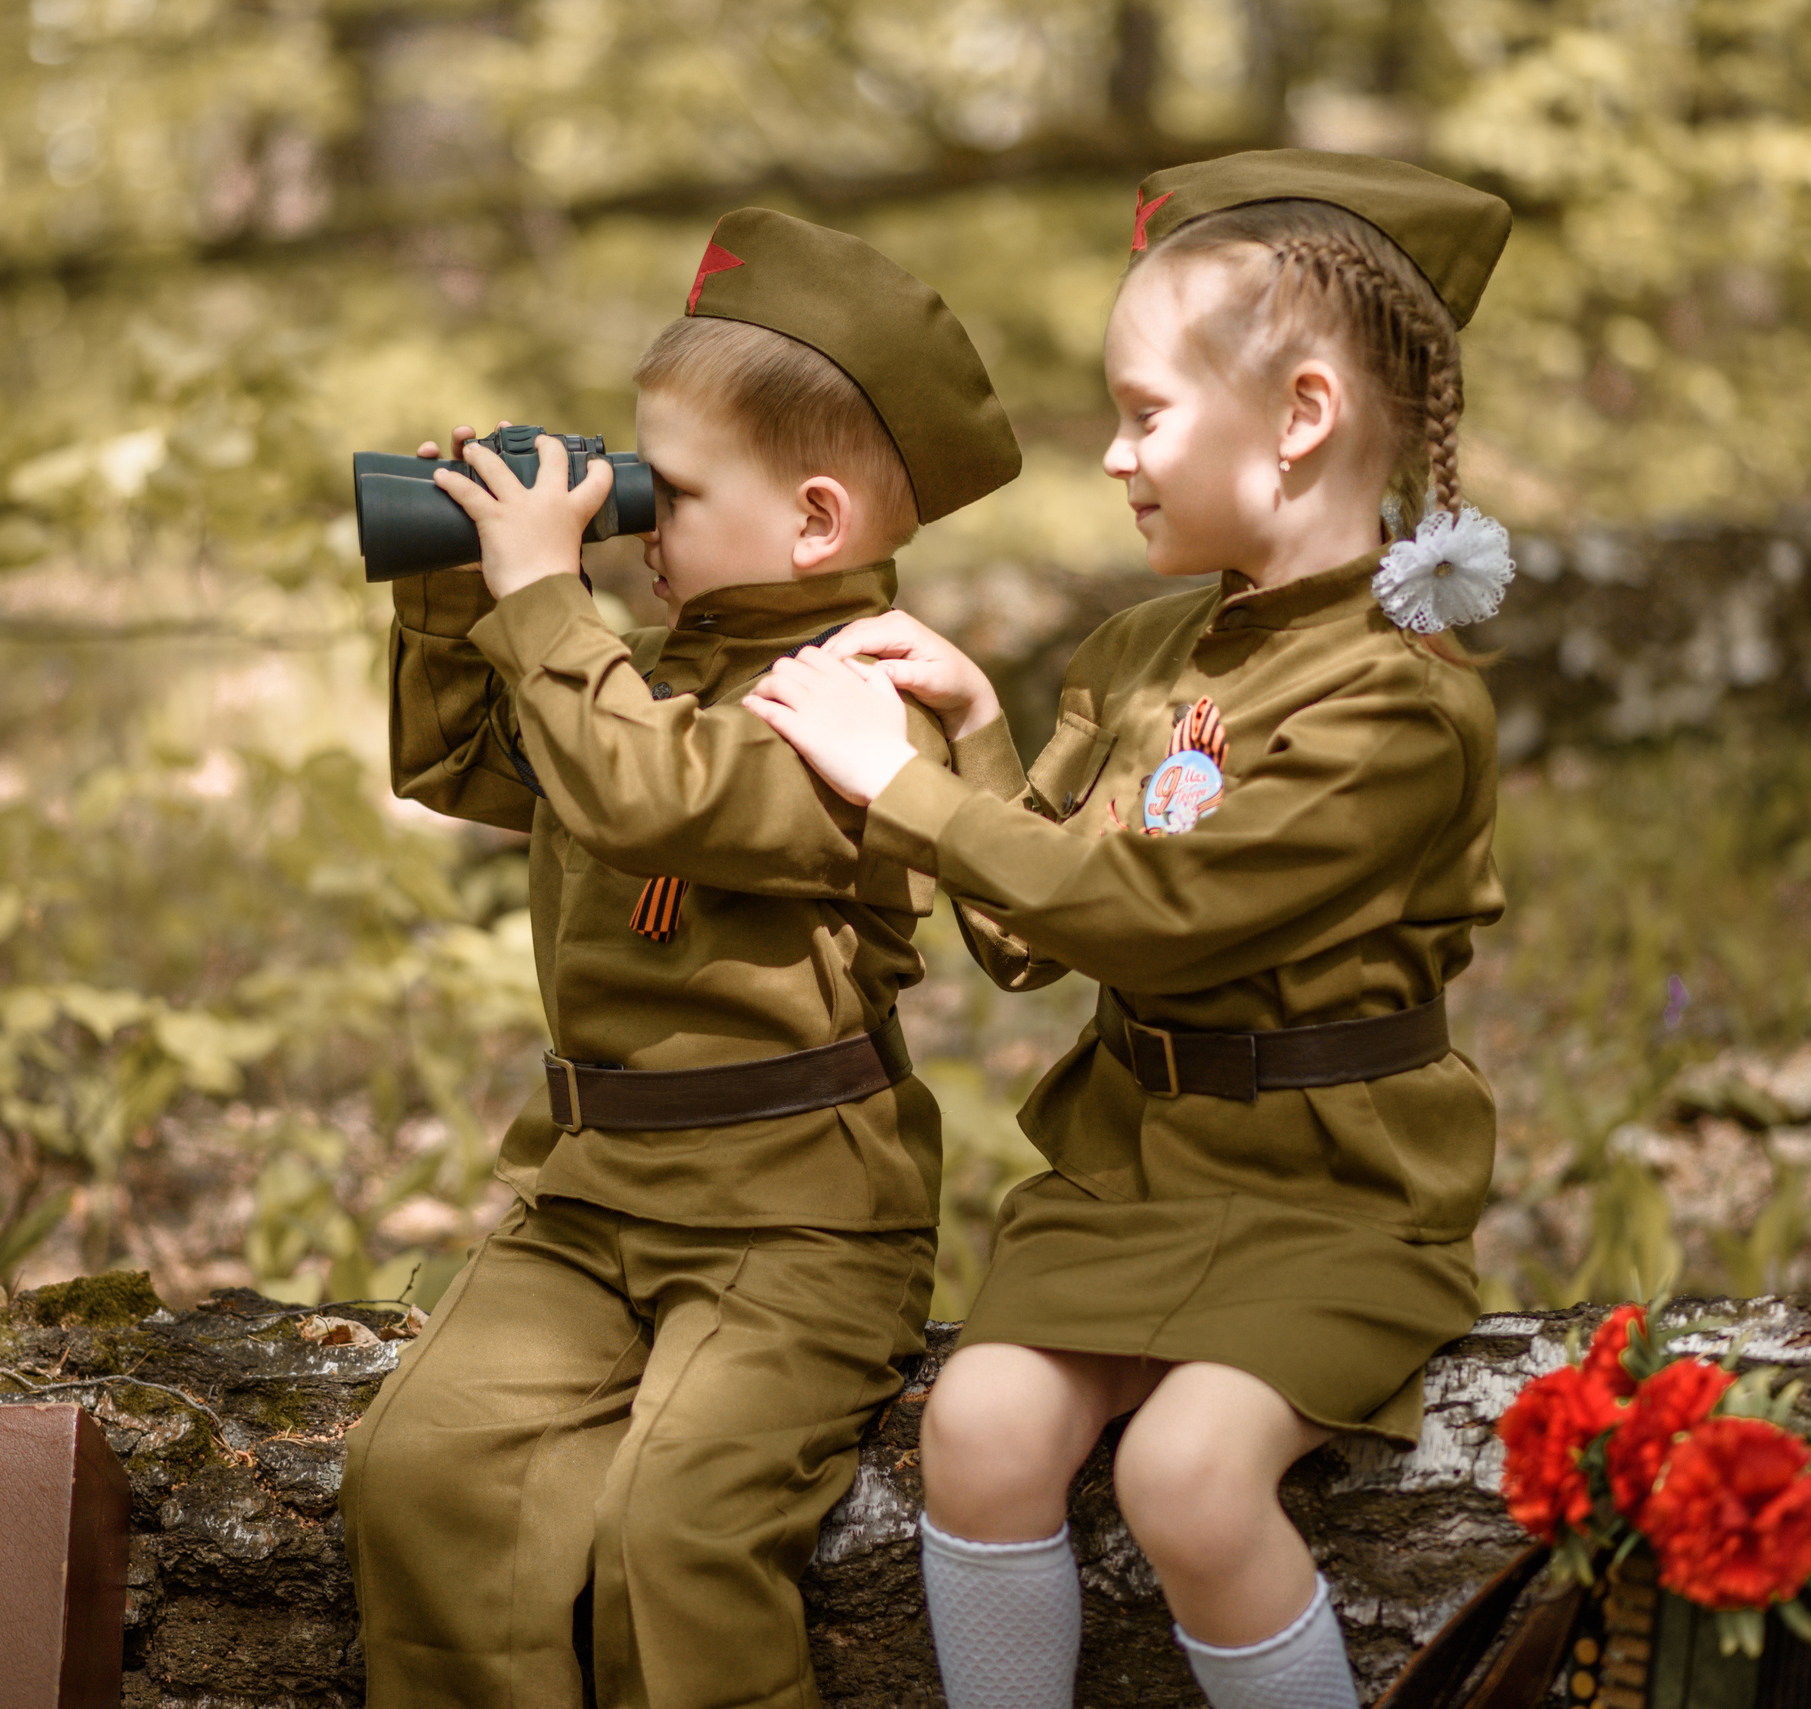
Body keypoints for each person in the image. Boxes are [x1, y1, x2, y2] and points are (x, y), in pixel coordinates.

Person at [742, 151, 1518, 1709]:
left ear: (1299, 416)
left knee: (1189, 1475)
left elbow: (1161, 915)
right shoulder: (1143, 648)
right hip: (1134, 1172)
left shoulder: (1399, 702)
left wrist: (901, 785)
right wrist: (973, 732)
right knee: (978, 1428)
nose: (1112, 454)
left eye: (1146, 414)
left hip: (1334, 1190)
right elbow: (1028, 938)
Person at [343, 208, 1022, 1709]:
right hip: (594, 1199)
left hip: (796, 1223)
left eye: (672, 492)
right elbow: (460, 762)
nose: (635, 522)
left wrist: (544, 593)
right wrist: (457, 584)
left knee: (675, 1536)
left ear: (818, 522)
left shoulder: (874, 700)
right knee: (423, 1471)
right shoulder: (648, 674)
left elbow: (655, 793)